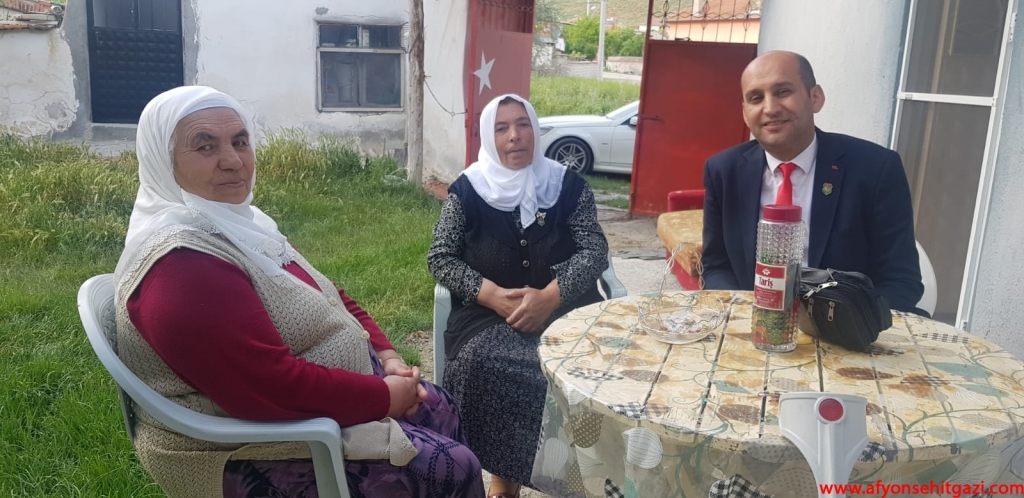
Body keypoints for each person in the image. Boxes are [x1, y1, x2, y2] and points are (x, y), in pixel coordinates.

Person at [113, 86, 485, 498]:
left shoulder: (243, 225)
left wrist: (387, 356)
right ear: (163, 161)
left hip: (307, 403)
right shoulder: (181, 265)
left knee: (438, 406)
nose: (233, 160)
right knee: (454, 468)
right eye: (205, 146)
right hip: (244, 444)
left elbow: (331, 294)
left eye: (240, 141)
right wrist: (382, 397)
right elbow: (267, 387)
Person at [427, 94, 610, 497]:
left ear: (536, 130)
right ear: (489, 137)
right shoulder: (468, 191)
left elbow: (594, 250)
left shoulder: (567, 186)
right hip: (489, 316)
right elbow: (440, 258)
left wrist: (551, 297)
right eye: (502, 128)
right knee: (487, 365)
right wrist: (490, 294)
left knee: (585, 370)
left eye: (523, 124)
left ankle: (581, 479)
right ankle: (503, 481)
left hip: (567, 309)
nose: (514, 136)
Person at [701, 51, 925, 314]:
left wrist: (841, 322)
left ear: (815, 97)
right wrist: (745, 314)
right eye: (756, 98)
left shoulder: (875, 168)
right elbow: (716, 266)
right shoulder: (724, 171)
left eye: (783, 91)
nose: (770, 108)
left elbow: (901, 280)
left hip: (843, 325)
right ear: (745, 113)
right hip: (755, 321)